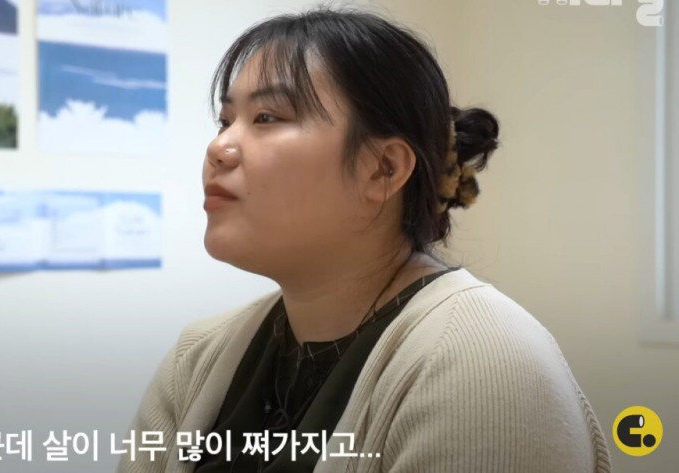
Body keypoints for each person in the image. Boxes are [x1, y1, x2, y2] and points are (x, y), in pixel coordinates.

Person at [117, 7, 610, 473]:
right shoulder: (198, 355)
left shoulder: (484, 361)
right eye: (226, 122)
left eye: (267, 117)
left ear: (383, 169)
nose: (218, 147)